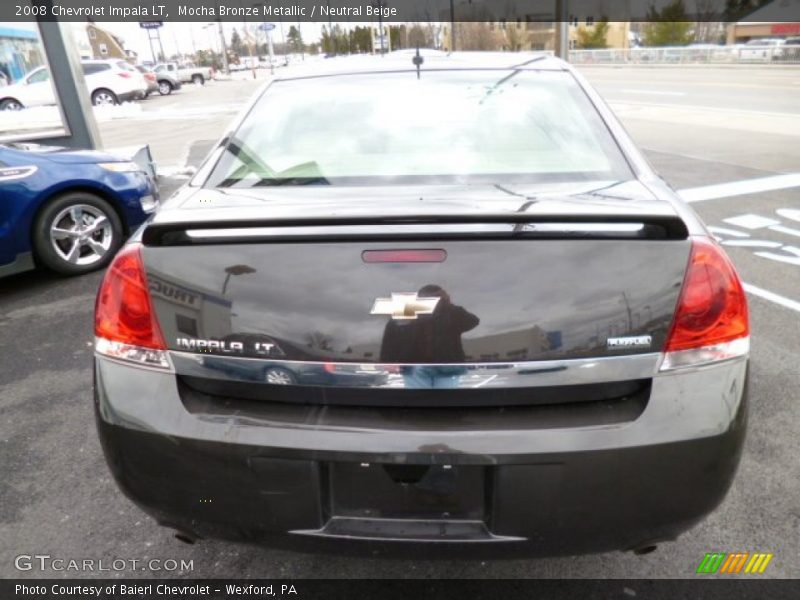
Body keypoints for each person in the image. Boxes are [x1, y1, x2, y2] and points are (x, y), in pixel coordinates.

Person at [379, 284, 479, 389]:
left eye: (436, 297)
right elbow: (392, 331)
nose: (433, 301)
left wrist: (448, 305)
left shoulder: (450, 312)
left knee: (431, 400)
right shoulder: (412, 310)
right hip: (418, 365)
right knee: (442, 400)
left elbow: (472, 321)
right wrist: (386, 360)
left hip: (442, 365)